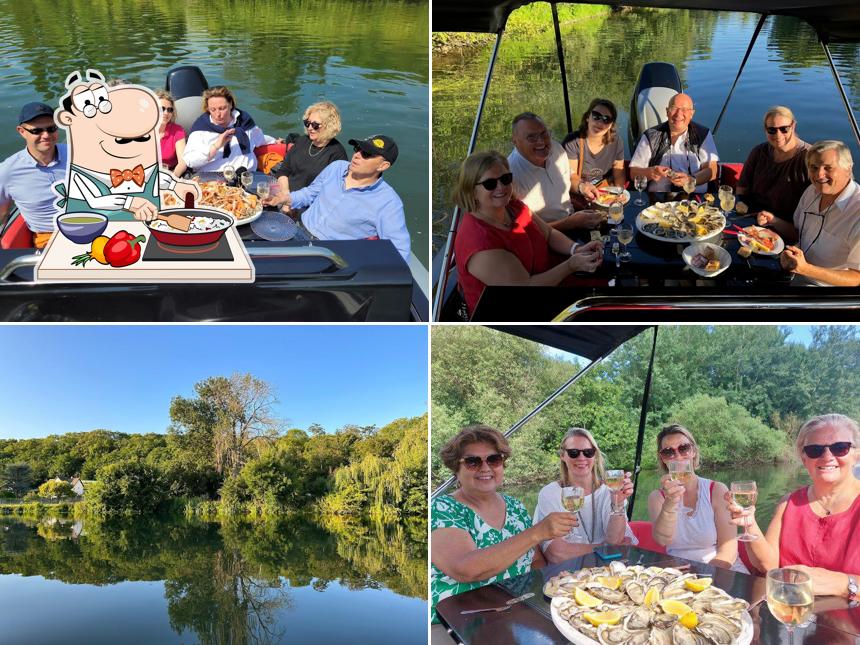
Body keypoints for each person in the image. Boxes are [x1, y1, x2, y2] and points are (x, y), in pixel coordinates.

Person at [431, 424, 577, 628]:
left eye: (494, 459)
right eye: (473, 462)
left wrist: (545, 594)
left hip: (514, 613)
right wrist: (538, 532)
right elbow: (465, 569)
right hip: (456, 623)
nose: (485, 467)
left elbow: (535, 561)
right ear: (456, 468)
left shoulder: (515, 506)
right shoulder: (441, 508)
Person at [452, 151, 603, 318]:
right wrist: (571, 265)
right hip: (517, 309)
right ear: (472, 191)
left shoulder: (513, 206)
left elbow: (549, 233)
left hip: (549, 276)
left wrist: (576, 249)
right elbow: (525, 289)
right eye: (490, 184)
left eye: (505, 179)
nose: (501, 187)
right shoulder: (479, 243)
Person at [726, 414, 860, 598]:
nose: (827, 456)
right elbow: (768, 565)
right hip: (791, 616)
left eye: (840, 448)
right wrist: (749, 522)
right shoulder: (788, 503)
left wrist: (843, 584)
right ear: (804, 459)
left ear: (856, 454)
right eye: (815, 450)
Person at [53, 70, 199, 222]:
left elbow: (145, 174)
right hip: (98, 221)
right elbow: (92, 197)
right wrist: (129, 202)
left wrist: (174, 185)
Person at [276, 134, 411, 261]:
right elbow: (310, 193)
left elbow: (399, 251)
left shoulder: (388, 202)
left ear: (383, 166)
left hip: (331, 254)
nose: (357, 155)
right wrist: (284, 198)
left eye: (366, 154)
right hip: (298, 229)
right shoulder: (337, 167)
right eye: (357, 149)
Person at [756, 140, 860, 286]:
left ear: (848, 168)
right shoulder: (812, 191)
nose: (819, 174)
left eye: (828, 168)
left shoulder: (857, 212)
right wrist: (774, 221)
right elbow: (800, 233)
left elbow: (857, 277)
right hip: (794, 270)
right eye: (814, 167)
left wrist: (806, 269)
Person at [648, 424, 745, 571]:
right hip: (678, 571)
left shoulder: (717, 490)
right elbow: (663, 540)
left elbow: (729, 550)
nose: (678, 457)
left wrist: (703, 577)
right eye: (668, 452)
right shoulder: (657, 497)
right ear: (663, 459)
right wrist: (670, 502)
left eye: (684, 448)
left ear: (693, 451)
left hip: (721, 568)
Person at [534, 427, 637, 564]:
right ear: (562, 455)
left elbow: (615, 541)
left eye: (588, 452)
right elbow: (556, 553)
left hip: (606, 571)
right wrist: (605, 548)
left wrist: (617, 503)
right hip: (565, 576)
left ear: (595, 456)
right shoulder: (550, 493)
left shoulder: (610, 490)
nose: (582, 458)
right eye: (574, 453)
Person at [508, 112, 605, 231]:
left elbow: (569, 176)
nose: (541, 142)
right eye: (531, 137)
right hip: (546, 238)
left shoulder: (555, 148)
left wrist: (581, 186)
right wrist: (571, 222)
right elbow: (527, 230)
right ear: (515, 141)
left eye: (544, 134)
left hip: (574, 218)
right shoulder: (509, 177)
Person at [0, 102, 67, 248]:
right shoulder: (7, 171)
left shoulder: (77, 153)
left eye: (51, 129)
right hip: (49, 237)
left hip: (90, 224)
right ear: (21, 131)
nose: (46, 135)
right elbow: (2, 213)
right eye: (37, 131)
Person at [629, 93, 719, 196]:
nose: (678, 114)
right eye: (674, 108)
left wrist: (691, 180)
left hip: (695, 198)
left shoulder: (703, 134)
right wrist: (652, 172)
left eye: (684, 109)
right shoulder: (650, 136)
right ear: (667, 111)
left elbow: (712, 170)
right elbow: (633, 173)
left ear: (692, 114)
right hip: (659, 201)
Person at [735, 106, 809, 221]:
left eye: (784, 129)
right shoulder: (759, 152)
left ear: (793, 126)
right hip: (753, 218)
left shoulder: (809, 158)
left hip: (787, 225)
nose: (778, 135)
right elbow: (742, 188)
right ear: (765, 130)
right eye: (772, 130)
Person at [183, 86, 279, 173]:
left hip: (247, 177)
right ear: (208, 109)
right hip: (213, 181)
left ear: (231, 105)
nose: (218, 114)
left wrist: (275, 141)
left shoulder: (244, 121)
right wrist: (215, 147)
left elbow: (259, 138)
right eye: (213, 109)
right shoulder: (200, 130)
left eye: (222, 108)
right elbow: (189, 161)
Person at [269, 101, 347, 206]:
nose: (310, 128)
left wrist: (291, 203)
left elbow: (328, 193)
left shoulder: (337, 155)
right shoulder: (302, 141)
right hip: (284, 196)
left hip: (309, 206)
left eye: (315, 125)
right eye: (307, 123)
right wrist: (285, 197)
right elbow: (283, 171)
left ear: (329, 126)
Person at [564, 99, 626, 206]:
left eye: (606, 119)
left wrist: (618, 194)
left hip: (607, 194)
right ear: (588, 117)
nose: (600, 123)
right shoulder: (573, 141)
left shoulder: (616, 142)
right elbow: (571, 176)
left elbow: (619, 174)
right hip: (582, 196)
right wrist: (582, 188)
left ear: (611, 125)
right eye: (596, 116)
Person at [154, 90, 187, 178]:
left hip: (170, 173)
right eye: (162, 108)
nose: (166, 113)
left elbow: (182, 162)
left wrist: (172, 178)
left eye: (170, 110)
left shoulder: (177, 131)